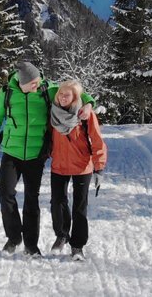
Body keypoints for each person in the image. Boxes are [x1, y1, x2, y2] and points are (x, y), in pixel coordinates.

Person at [0, 61, 94, 256]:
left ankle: (31, 245)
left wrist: (89, 104)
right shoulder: (6, 92)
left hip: (36, 154)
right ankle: (14, 237)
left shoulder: (46, 89)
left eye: (38, 80)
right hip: (11, 152)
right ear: (21, 83)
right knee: (5, 193)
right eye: (32, 83)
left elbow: (74, 92)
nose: (37, 84)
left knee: (31, 199)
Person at [48, 80, 107, 261]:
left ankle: (77, 246)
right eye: (61, 94)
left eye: (68, 95)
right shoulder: (53, 111)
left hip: (82, 166)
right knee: (57, 202)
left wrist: (99, 168)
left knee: (79, 207)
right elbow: (46, 86)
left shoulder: (85, 115)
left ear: (76, 98)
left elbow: (97, 140)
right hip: (59, 164)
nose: (63, 97)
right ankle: (62, 235)